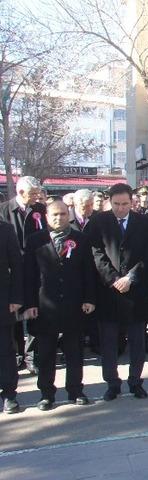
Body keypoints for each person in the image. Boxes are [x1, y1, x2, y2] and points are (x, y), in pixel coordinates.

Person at [22, 201, 96, 410]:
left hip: (74, 305)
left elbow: (88, 272)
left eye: (63, 214)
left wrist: (89, 299)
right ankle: (46, 394)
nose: (59, 218)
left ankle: (75, 390)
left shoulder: (80, 239)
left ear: (68, 215)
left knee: (74, 352)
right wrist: (29, 304)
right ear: (46, 216)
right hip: (44, 306)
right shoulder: (35, 240)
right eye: (54, 215)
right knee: (45, 354)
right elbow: (29, 275)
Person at [85, 183, 148, 401]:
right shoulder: (98, 222)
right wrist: (114, 279)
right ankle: (112, 383)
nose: (121, 208)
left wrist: (131, 278)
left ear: (132, 201)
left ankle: (135, 381)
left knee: (137, 341)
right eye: (116, 204)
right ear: (109, 201)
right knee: (109, 342)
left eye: (125, 204)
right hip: (108, 292)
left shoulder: (145, 222)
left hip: (136, 292)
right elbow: (96, 254)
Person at [0, 176, 46, 375]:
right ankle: (17, 355)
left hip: (35, 268)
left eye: (38, 194)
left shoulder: (39, 211)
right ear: (20, 193)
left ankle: (31, 356)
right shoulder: (4, 210)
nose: (37, 198)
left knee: (34, 311)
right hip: (12, 272)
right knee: (15, 316)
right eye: (33, 194)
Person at [0, 219, 23, 414]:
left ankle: (9, 394)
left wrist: (16, 297)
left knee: (5, 350)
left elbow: (17, 265)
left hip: (2, 300)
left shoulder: (5, 230)